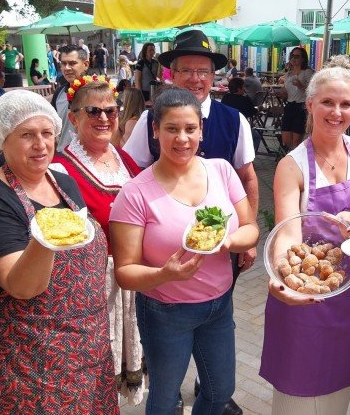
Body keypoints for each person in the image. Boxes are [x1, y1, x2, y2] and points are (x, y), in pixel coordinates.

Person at [123, 30, 258, 414]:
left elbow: (247, 179)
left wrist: (243, 241)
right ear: (172, 74)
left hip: (218, 277)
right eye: (187, 70)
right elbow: (130, 174)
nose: (196, 78)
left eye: (204, 71)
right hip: (164, 280)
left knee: (218, 385)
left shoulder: (233, 122)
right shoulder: (151, 119)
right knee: (166, 392)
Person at [0, 90, 118, 414]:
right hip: (34, 361)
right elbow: (22, 286)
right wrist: (47, 237)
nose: (41, 144)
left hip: (90, 348)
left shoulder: (63, 181)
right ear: (3, 139)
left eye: (47, 133)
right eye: (27, 135)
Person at [260, 56, 350, 414]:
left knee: (339, 392)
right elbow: (288, 232)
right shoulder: (292, 166)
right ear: (310, 104)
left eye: (346, 104)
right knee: (298, 398)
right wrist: (283, 278)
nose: (336, 112)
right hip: (306, 296)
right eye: (328, 103)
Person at [49, 79, 145, 406]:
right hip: (89, 288)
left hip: (130, 280)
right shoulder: (58, 170)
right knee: (92, 372)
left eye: (111, 110)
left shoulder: (126, 161)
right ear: (73, 118)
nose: (104, 118)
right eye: (93, 111)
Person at [52, 44, 90, 152]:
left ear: (86, 64)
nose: (67, 68)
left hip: (91, 158)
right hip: (63, 156)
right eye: (63, 63)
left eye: (72, 63)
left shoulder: (97, 92)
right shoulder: (59, 93)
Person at [279, 47, 314, 150]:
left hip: (301, 106)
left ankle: (295, 162)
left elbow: (315, 91)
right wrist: (281, 93)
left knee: (296, 141)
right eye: (292, 56)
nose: (293, 59)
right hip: (290, 106)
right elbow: (287, 92)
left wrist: (301, 86)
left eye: (297, 56)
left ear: (303, 59)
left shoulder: (307, 72)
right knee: (285, 140)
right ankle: (289, 158)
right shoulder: (289, 73)